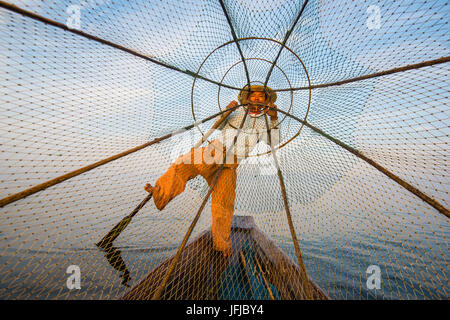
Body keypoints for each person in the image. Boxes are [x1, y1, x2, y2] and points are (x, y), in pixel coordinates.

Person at [144, 85, 280, 257]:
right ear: (247, 98)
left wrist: (274, 118)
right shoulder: (237, 112)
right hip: (214, 152)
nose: (257, 99)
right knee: (182, 164)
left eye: (262, 97)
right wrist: (227, 111)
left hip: (231, 164)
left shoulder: (265, 122)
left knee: (224, 205)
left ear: (266, 102)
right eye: (254, 95)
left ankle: (222, 245)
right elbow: (219, 125)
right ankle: (161, 192)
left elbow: (273, 141)